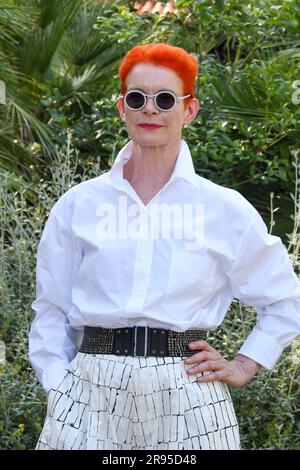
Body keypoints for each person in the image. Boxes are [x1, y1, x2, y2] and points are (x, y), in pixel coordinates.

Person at [29, 43, 300, 451]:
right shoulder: (79, 206)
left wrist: (245, 363)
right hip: (88, 392)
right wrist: (58, 386)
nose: (149, 109)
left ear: (189, 110)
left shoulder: (223, 209)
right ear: (122, 107)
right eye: (137, 98)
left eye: (165, 99)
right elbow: (51, 309)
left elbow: (284, 299)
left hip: (190, 390)